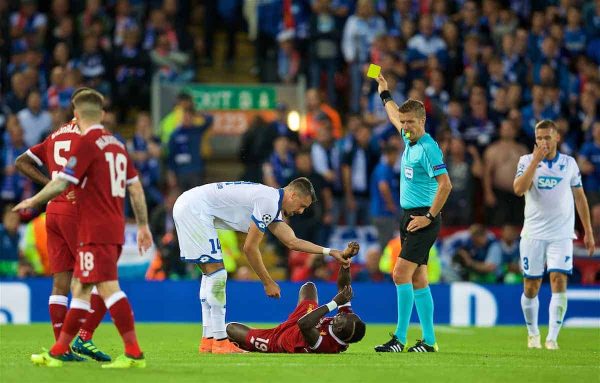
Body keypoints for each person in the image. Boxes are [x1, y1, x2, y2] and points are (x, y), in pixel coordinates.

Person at [13, 88, 153, 368]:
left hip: (90, 223)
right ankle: (60, 350)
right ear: (102, 114)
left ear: (76, 115)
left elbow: (63, 181)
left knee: (104, 288)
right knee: (82, 287)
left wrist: (34, 199)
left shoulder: (83, 142)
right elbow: (135, 188)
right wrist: (143, 226)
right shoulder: (117, 145)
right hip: (106, 223)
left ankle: (132, 352)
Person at [172, 178, 352, 354]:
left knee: (210, 275)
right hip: (194, 209)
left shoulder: (271, 202)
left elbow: (292, 241)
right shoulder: (269, 202)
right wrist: (268, 282)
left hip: (191, 205)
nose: (301, 211)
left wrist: (330, 252)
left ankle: (208, 340)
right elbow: (249, 248)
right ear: (293, 194)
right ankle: (220, 341)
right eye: (302, 205)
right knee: (217, 275)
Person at [15, 110, 110, 362]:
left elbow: (20, 162)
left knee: (61, 282)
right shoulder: (88, 136)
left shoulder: (54, 136)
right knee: (104, 276)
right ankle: (84, 336)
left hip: (53, 211)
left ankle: (62, 348)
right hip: (75, 211)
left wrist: (49, 185)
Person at [373, 74, 452, 353]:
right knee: (418, 278)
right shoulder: (410, 140)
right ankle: (429, 342)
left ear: (422, 122)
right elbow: (394, 115)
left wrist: (429, 217)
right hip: (408, 217)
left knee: (399, 274)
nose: (405, 127)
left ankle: (399, 338)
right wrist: (385, 93)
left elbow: (446, 185)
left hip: (423, 218)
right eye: (404, 123)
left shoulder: (429, 148)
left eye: (410, 123)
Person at [513, 119, 595, 350]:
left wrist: (588, 231)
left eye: (547, 137)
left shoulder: (569, 164)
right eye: (539, 138)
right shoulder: (526, 161)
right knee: (531, 286)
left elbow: (579, 197)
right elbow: (519, 189)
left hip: (561, 233)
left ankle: (552, 338)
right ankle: (533, 334)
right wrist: (535, 162)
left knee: (559, 280)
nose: (543, 142)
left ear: (557, 138)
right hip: (533, 234)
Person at [226, 242, 366, 353]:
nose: (341, 315)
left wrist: (334, 303)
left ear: (339, 329)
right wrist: (346, 262)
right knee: (309, 286)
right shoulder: (346, 321)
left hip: (284, 339)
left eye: (341, 318)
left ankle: (244, 340)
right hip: (305, 318)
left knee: (230, 329)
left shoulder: (326, 345)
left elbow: (303, 324)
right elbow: (344, 288)